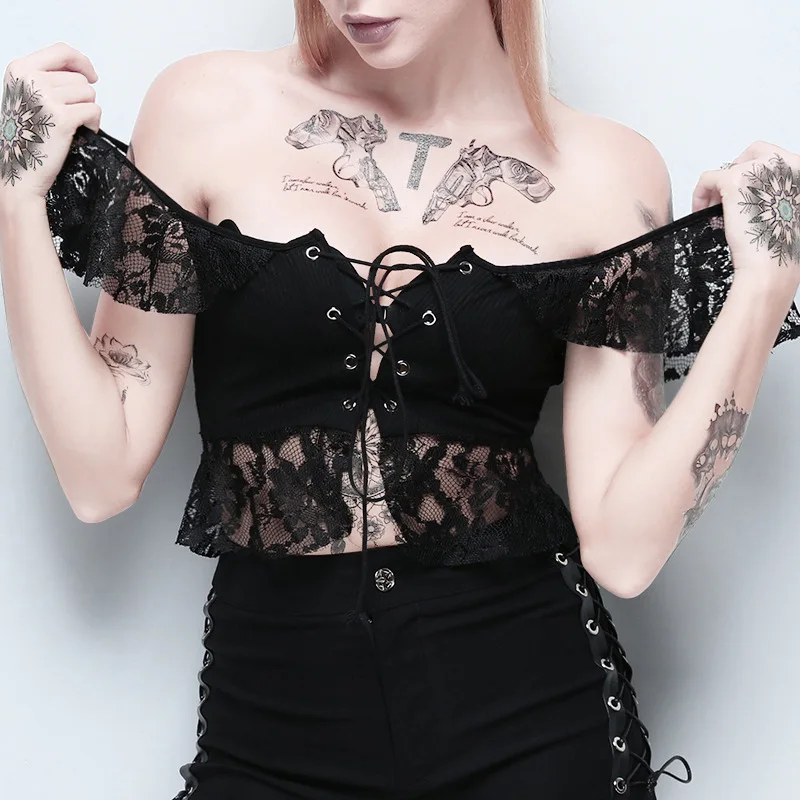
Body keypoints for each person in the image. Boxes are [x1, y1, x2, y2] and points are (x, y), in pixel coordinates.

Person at [1, 1, 799, 797]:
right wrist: (14, 196)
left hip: (531, 728)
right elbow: (99, 475)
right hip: (271, 727)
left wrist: (764, 288)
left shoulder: (606, 171)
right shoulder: (203, 110)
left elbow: (626, 551)